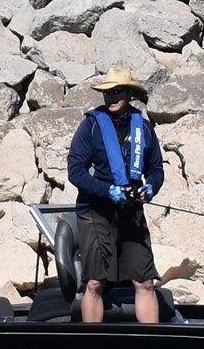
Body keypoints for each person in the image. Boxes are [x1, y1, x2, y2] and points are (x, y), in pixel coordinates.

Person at [66, 67, 165, 324]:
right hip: (96, 210)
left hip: (131, 212)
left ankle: (152, 344)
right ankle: (93, 344)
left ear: (129, 94)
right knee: (95, 282)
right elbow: (76, 172)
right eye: (107, 93)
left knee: (144, 281)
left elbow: (156, 169)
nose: (111, 97)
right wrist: (107, 190)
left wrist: (151, 188)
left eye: (117, 92)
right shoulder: (90, 126)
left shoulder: (143, 126)